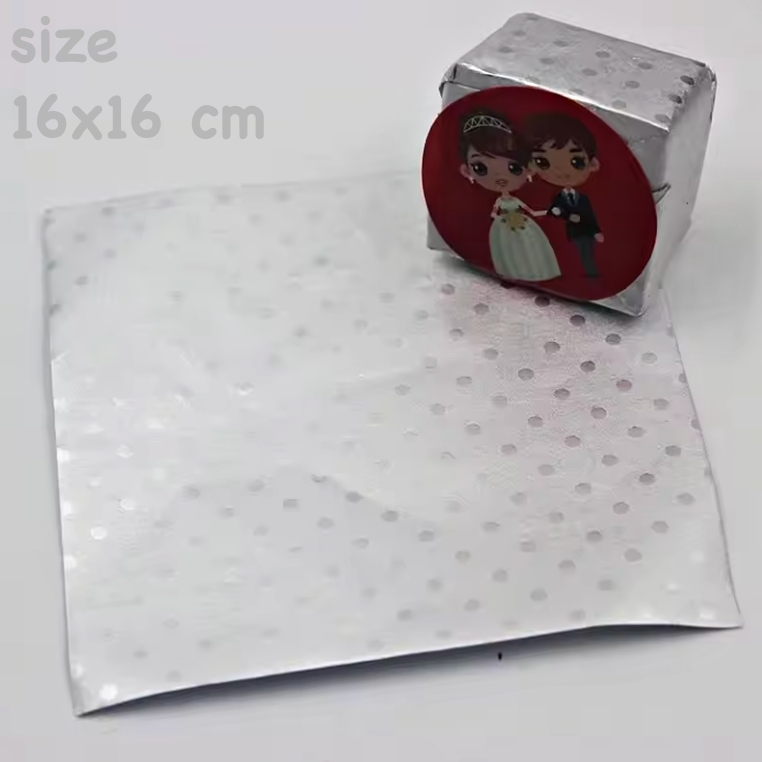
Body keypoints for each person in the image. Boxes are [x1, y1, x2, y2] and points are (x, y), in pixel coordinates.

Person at [458, 110, 561, 282]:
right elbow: (494, 213)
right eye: (480, 167)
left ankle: (534, 274)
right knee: (509, 250)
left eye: (514, 167)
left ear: (529, 168)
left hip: (523, 224)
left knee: (529, 247)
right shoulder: (500, 201)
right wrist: (503, 219)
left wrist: (547, 212)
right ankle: (513, 274)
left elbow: (530, 211)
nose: (499, 176)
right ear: (466, 171)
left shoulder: (514, 200)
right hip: (505, 226)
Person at [523, 113, 604, 278]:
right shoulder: (558, 197)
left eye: (576, 161)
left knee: (588, 254)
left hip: (587, 232)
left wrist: (596, 231)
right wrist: (565, 215)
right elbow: (555, 211)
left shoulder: (583, 198)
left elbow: (591, 216)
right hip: (573, 234)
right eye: (542, 162)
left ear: (593, 164)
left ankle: (592, 276)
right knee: (579, 254)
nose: (559, 171)